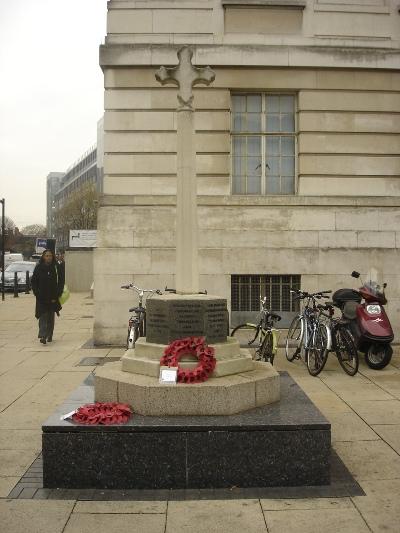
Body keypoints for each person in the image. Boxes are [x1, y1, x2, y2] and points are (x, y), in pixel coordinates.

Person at [31, 249, 65, 344]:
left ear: (52, 257)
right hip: (41, 297)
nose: (48, 257)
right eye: (46, 256)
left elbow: (61, 281)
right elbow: (34, 281)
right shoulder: (38, 267)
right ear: (43, 257)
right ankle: (43, 335)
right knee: (42, 315)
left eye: (50, 255)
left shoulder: (56, 267)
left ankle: (49, 334)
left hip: (53, 296)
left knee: (50, 316)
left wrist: (58, 293)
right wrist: (36, 292)